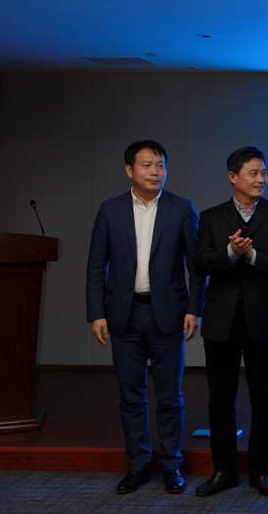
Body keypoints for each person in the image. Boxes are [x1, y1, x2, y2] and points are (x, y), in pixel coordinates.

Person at [86, 140, 205, 495]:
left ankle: (171, 465)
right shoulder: (110, 210)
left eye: (161, 165)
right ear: (130, 170)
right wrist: (97, 313)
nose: (156, 172)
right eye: (147, 165)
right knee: (131, 396)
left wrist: (193, 309)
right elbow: (96, 265)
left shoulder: (181, 208)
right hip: (123, 315)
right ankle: (138, 464)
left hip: (168, 315)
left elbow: (197, 266)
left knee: (170, 396)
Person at [193, 147, 268, 498]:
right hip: (221, 321)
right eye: (253, 173)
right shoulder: (211, 217)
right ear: (233, 177)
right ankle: (223, 470)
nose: (261, 179)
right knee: (220, 400)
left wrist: (252, 254)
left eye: (264, 172)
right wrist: (230, 253)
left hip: (264, 319)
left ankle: (261, 471)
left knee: (265, 399)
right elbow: (200, 262)